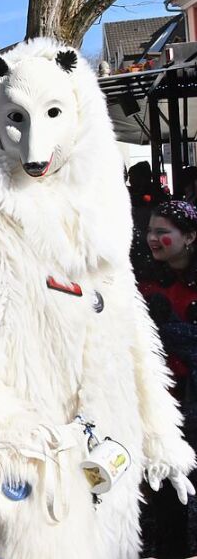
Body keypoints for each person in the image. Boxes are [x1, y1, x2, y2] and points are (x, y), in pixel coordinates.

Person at [137, 200, 197, 558]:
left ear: (190, 236)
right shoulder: (143, 279)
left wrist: (175, 329)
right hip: (159, 402)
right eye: (150, 232)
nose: (153, 239)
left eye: (163, 233)